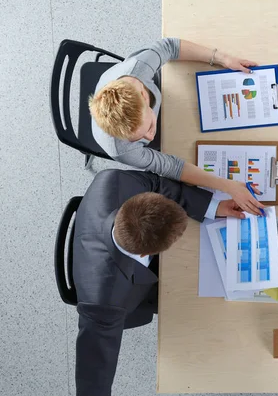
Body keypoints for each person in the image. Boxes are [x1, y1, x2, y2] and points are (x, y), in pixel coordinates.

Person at [73, 169, 245, 396]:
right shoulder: (103, 306)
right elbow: (92, 381)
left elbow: (155, 182)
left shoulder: (112, 180)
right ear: (153, 252)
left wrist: (212, 207)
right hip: (123, 290)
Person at [88, 38, 264, 215]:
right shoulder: (122, 149)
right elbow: (171, 167)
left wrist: (223, 59)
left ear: (143, 94)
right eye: (139, 138)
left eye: (149, 127)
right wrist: (228, 186)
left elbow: (170, 46)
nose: (150, 139)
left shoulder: (138, 68)